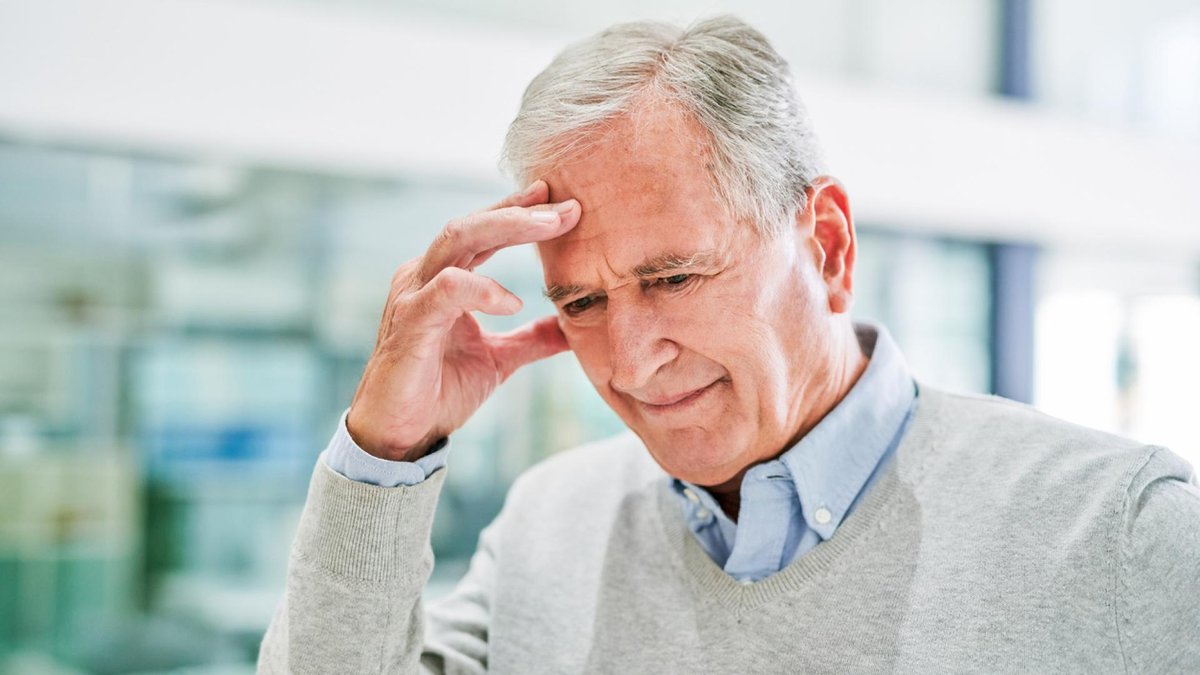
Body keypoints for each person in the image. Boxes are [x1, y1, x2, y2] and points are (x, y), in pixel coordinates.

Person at [257, 15, 1199, 674]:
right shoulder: (549, 528)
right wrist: (383, 453)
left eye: (671, 278)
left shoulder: (1123, 534)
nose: (627, 360)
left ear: (826, 245)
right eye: (580, 300)